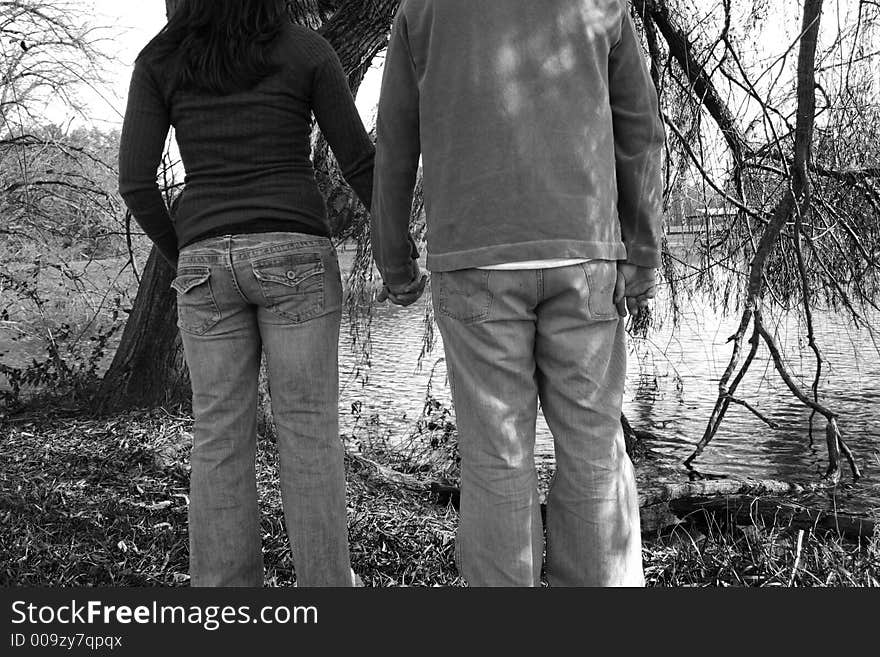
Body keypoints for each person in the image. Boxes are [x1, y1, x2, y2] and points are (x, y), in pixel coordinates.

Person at [371, 0, 665, 586]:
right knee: (593, 444)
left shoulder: (422, 11)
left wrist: (394, 258)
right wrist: (643, 252)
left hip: (475, 257)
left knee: (496, 455)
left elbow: (396, 143)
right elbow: (640, 128)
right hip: (583, 251)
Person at [118, 0, 373, 587]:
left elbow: (135, 181)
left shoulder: (160, 57)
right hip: (296, 255)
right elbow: (359, 162)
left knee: (218, 433)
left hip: (206, 260)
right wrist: (397, 241)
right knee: (309, 431)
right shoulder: (305, 48)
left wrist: (186, 251)